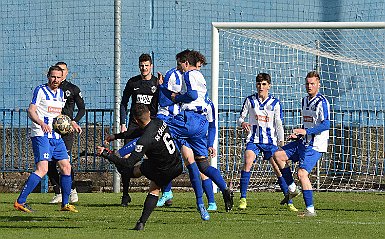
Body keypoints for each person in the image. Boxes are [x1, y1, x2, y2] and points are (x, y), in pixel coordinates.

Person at [166, 50, 233, 218]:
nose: (179, 67)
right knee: (202, 165)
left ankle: (125, 156)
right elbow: (211, 125)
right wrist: (210, 143)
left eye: (180, 63)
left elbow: (191, 95)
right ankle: (224, 189)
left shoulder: (188, 75)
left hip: (189, 120)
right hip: (200, 126)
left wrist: (177, 98)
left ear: (186, 63)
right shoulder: (204, 88)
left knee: (159, 129)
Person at [96, 103, 183, 231]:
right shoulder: (159, 122)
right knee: (148, 173)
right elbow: (139, 131)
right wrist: (117, 136)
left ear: (136, 120)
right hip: (177, 165)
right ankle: (140, 221)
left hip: (161, 169)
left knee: (142, 180)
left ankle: (141, 223)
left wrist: (106, 154)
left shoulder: (144, 140)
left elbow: (129, 162)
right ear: (148, 114)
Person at [14, 65, 78, 213]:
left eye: (58, 77)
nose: (55, 80)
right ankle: (20, 201)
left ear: (62, 78)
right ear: (48, 76)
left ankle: (65, 204)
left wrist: (71, 122)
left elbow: (59, 117)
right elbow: (31, 110)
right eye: (53, 76)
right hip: (41, 135)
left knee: (66, 167)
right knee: (43, 169)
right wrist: (41, 123)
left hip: (56, 136)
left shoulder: (61, 94)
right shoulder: (40, 90)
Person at [237, 73, 298, 212]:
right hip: (254, 140)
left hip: (270, 142)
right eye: (259, 84)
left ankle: (289, 201)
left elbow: (278, 123)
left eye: (264, 84)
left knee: (279, 169)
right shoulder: (250, 101)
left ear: (269, 86)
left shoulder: (275, 103)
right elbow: (240, 118)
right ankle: (243, 198)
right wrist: (243, 123)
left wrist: (281, 142)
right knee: (247, 161)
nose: (261, 87)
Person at [273, 71, 330, 217]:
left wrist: (306, 132)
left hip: (315, 145)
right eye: (307, 83)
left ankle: (310, 210)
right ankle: (292, 189)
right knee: (278, 155)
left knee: (302, 173)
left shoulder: (322, 102)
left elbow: (326, 124)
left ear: (318, 84)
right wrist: (298, 134)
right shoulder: (304, 101)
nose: (309, 86)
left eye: (312, 84)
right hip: (302, 142)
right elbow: (307, 124)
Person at [105, 53, 159, 207]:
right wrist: (123, 123)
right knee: (126, 159)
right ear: (139, 66)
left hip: (150, 125)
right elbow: (123, 103)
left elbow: (162, 102)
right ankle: (125, 195)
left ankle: (163, 193)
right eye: (142, 66)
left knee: (155, 157)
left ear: (151, 66)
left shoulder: (157, 83)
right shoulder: (132, 82)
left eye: (146, 66)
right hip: (134, 127)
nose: (144, 68)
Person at [48, 62, 85, 204]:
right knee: (50, 162)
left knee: (65, 162)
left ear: (67, 72)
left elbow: (82, 109)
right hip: (52, 130)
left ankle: (72, 190)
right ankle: (58, 192)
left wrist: (74, 121)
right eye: (58, 71)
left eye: (63, 70)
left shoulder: (72, 89)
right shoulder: (49, 90)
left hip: (67, 131)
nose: (60, 74)